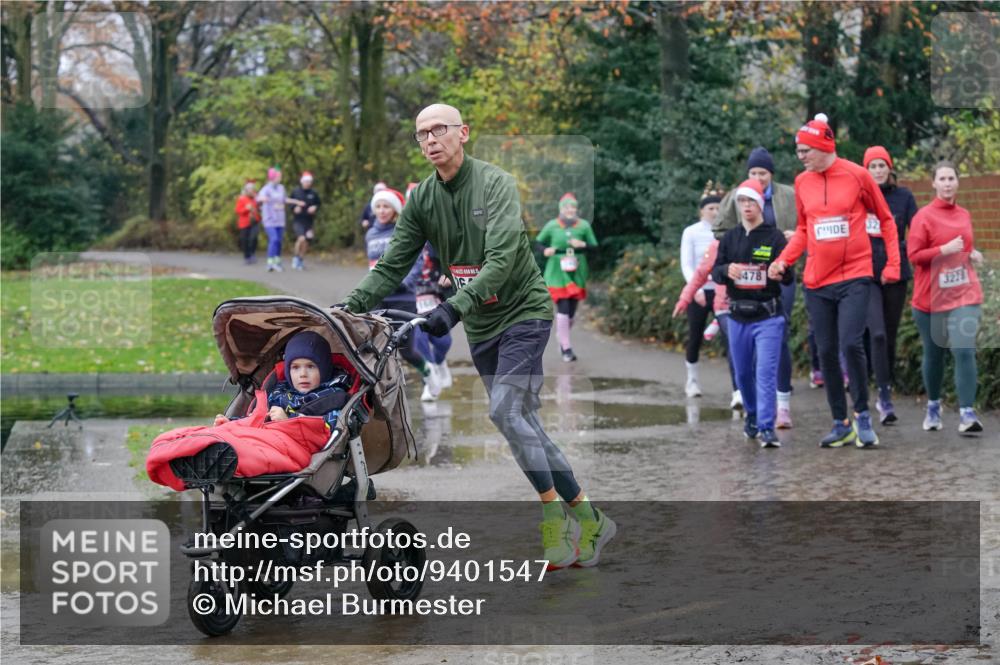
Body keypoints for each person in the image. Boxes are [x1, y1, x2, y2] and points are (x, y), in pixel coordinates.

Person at [342, 103, 615, 569]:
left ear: (463, 133)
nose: (430, 140)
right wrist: (348, 307)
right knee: (519, 423)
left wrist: (453, 308)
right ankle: (590, 517)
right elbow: (392, 264)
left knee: (505, 411)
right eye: (421, 134)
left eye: (439, 130)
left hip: (524, 315)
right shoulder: (424, 199)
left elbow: (503, 259)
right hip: (484, 327)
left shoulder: (496, 184)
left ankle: (554, 517)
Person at [768, 113, 901, 448]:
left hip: (855, 274)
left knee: (850, 343)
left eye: (804, 150)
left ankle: (862, 416)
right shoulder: (802, 182)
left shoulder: (857, 175)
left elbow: (886, 219)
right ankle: (840, 422)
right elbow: (802, 230)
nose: (800, 157)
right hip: (817, 281)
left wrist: (893, 265)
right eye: (798, 151)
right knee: (825, 350)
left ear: (822, 145)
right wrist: (783, 260)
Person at [714, 147, 799, 427]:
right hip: (742, 288)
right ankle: (753, 409)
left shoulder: (787, 195)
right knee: (744, 358)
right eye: (753, 173)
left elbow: (808, 226)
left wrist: (792, 243)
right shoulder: (736, 203)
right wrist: (731, 264)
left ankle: (780, 405)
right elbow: (718, 233)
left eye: (762, 173)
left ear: (771, 174)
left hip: (777, 267)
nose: (758, 178)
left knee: (778, 332)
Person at [907, 161, 985, 435]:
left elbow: (966, 246)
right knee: (934, 353)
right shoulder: (923, 217)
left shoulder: (964, 214)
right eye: (942, 178)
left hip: (964, 292)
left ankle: (967, 413)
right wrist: (943, 249)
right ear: (934, 183)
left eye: (952, 178)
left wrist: (972, 254)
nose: (948, 183)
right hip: (931, 298)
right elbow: (914, 256)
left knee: (964, 349)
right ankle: (933, 405)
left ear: (957, 182)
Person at [365, 186, 443, 399]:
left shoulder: (403, 230)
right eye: (378, 206)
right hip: (378, 298)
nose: (381, 211)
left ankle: (428, 372)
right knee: (376, 345)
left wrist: (404, 282)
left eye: (386, 206)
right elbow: (372, 266)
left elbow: (417, 262)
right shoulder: (371, 233)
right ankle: (381, 389)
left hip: (402, 297)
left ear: (396, 209)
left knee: (406, 348)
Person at [862, 146, 919, 425]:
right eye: (872, 166)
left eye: (882, 165)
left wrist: (902, 251)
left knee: (890, 337)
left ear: (890, 168)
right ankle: (883, 397)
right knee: (878, 334)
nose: (878, 171)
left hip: (896, 276)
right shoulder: (860, 199)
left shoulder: (904, 197)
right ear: (866, 171)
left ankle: (884, 383)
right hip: (867, 276)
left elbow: (918, 231)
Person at [213, 331, 354, 428]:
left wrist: (290, 420)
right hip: (265, 438)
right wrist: (231, 422)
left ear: (324, 369)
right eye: (295, 368)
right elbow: (256, 418)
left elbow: (329, 427)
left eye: (310, 367)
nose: (303, 374)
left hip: (298, 447)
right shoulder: (279, 392)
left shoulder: (334, 397)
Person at [672, 238, 742, 410]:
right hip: (724, 306)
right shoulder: (718, 244)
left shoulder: (759, 238)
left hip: (752, 305)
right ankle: (738, 392)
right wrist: (685, 299)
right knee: (733, 346)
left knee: (748, 349)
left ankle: (750, 392)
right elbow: (700, 274)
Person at [535, 192, 598, 363]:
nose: (570, 210)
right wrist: (545, 250)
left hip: (577, 268)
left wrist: (583, 244)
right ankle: (566, 348)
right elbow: (538, 242)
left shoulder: (584, 225)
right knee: (562, 306)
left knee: (571, 312)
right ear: (561, 209)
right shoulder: (552, 225)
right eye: (567, 207)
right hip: (557, 269)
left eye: (573, 207)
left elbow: (594, 247)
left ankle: (562, 337)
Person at [679, 187, 723, 396]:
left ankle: (738, 388)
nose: (714, 212)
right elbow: (687, 264)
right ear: (702, 211)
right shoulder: (691, 232)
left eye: (718, 208)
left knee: (731, 336)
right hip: (699, 290)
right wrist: (694, 287)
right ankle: (692, 380)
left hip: (722, 290)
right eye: (710, 208)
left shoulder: (727, 230)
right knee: (695, 334)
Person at [413, 241, 455, 400]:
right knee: (419, 341)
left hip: (436, 299)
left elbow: (452, 259)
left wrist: (449, 276)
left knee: (443, 343)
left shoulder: (435, 243)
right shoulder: (403, 242)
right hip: (414, 301)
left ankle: (440, 362)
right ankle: (429, 383)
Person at [288, 171, 321, 271]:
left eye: (309, 182)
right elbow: (289, 203)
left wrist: (314, 207)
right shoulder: (296, 191)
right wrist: (294, 208)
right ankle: (295, 257)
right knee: (301, 238)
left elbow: (318, 203)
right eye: (306, 181)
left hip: (309, 221)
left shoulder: (313, 193)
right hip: (298, 220)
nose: (308, 183)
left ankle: (301, 260)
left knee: (307, 241)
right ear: (302, 182)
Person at [257, 167, 288, 272]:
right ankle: (270, 263)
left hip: (280, 219)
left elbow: (284, 200)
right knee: (273, 239)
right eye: (279, 176)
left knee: (279, 241)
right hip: (269, 219)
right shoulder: (266, 188)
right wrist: (263, 199)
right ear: (273, 177)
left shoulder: (281, 188)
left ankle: (277, 261)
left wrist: (297, 202)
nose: (280, 178)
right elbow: (259, 198)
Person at [234, 180, 261, 264]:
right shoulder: (241, 199)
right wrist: (246, 209)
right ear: (246, 190)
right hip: (244, 223)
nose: (251, 191)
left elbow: (260, 208)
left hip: (255, 221)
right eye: (249, 189)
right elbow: (237, 211)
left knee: (254, 238)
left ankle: (252, 253)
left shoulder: (256, 198)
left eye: (252, 189)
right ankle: (247, 256)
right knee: (245, 240)